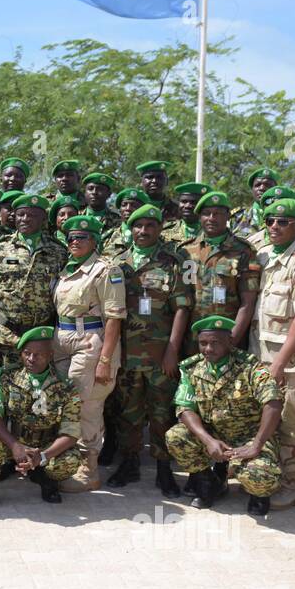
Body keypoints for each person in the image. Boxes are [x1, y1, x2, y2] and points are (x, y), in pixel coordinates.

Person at [106, 204, 192, 497]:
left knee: (161, 413)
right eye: (137, 226)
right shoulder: (117, 263)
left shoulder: (172, 262)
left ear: (159, 229)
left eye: (149, 226)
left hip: (159, 355)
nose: (143, 231)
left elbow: (181, 308)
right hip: (127, 353)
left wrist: (172, 350)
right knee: (128, 412)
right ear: (130, 229)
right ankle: (129, 463)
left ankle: (164, 469)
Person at [166, 316, 284, 514]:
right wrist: (208, 440)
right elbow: (184, 408)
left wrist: (256, 445)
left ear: (230, 342)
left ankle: (259, 495)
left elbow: (273, 403)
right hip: (214, 435)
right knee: (175, 436)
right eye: (203, 343)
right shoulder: (192, 368)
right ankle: (209, 483)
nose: (208, 349)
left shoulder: (250, 367)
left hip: (248, 437)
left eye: (215, 343)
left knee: (259, 475)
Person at [250, 197, 295, 510]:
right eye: (270, 221)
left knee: (292, 421)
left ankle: (291, 484)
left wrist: (279, 363)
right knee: (264, 417)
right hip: (260, 352)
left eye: (283, 221)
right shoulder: (264, 253)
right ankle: (264, 476)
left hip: (292, 361)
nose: (275, 227)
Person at [51, 215, 125, 491]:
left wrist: (105, 360)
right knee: (65, 403)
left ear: (94, 240)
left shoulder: (106, 270)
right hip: (63, 340)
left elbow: (115, 318)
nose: (74, 242)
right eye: (70, 237)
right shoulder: (67, 268)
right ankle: (65, 461)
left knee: (87, 405)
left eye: (81, 237)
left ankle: (88, 470)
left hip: (91, 340)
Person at [0, 327, 82, 510]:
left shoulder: (66, 386)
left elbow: (71, 433)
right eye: (27, 353)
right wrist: (15, 446)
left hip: (46, 446)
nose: (31, 359)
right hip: (12, 442)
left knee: (70, 460)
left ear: (51, 355)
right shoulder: (7, 377)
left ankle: (45, 480)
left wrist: (43, 457)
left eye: (38, 354)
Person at [0, 195, 66, 368]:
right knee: (6, 389)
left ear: (43, 218)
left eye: (32, 215)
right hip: (7, 337)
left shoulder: (59, 251)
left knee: (39, 390)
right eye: (21, 215)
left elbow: (62, 299)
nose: (25, 219)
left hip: (42, 337)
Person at [181, 191, 260, 353]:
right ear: (200, 217)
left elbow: (248, 303)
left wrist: (231, 341)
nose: (211, 218)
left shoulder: (244, 251)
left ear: (227, 217)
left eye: (217, 214)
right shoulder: (185, 250)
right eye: (206, 213)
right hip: (191, 338)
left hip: (227, 336)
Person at [231, 167, 279, 240]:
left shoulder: (284, 218)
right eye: (257, 185)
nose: (262, 188)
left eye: (268, 185)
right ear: (252, 189)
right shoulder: (237, 217)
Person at [101, 188, 147, 259]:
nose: (128, 208)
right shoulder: (106, 236)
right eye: (124, 205)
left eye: (134, 205)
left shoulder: (151, 237)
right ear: (119, 209)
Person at [161, 181, 209, 246]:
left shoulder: (211, 232)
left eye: (193, 202)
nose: (187, 206)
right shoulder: (165, 232)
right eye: (184, 201)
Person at [136, 160, 180, 225]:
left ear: (167, 181)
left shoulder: (177, 208)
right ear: (141, 182)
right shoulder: (133, 206)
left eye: (159, 177)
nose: (154, 181)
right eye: (149, 177)